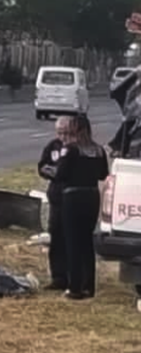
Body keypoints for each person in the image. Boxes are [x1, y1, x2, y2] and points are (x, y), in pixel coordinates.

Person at [54, 114, 110, 300]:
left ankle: (75, 287)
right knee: (87, 243)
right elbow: (103, 175)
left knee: (72, 242)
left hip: (72, 196)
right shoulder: (99, 150)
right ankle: (89, 286)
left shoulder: (70, 149)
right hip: (92, 196)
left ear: (74, 129)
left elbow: (60, 174)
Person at [37, 117, 69, 291]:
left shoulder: (77, 148)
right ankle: (58, 277)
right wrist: (52, 172)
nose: (63, 136)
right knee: (56, 238)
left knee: (72, 239)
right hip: (57, 198)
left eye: (66, 132)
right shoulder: (52, 146)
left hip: (74, 200)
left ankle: (74, 277)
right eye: (60, 132)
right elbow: (42, 166)